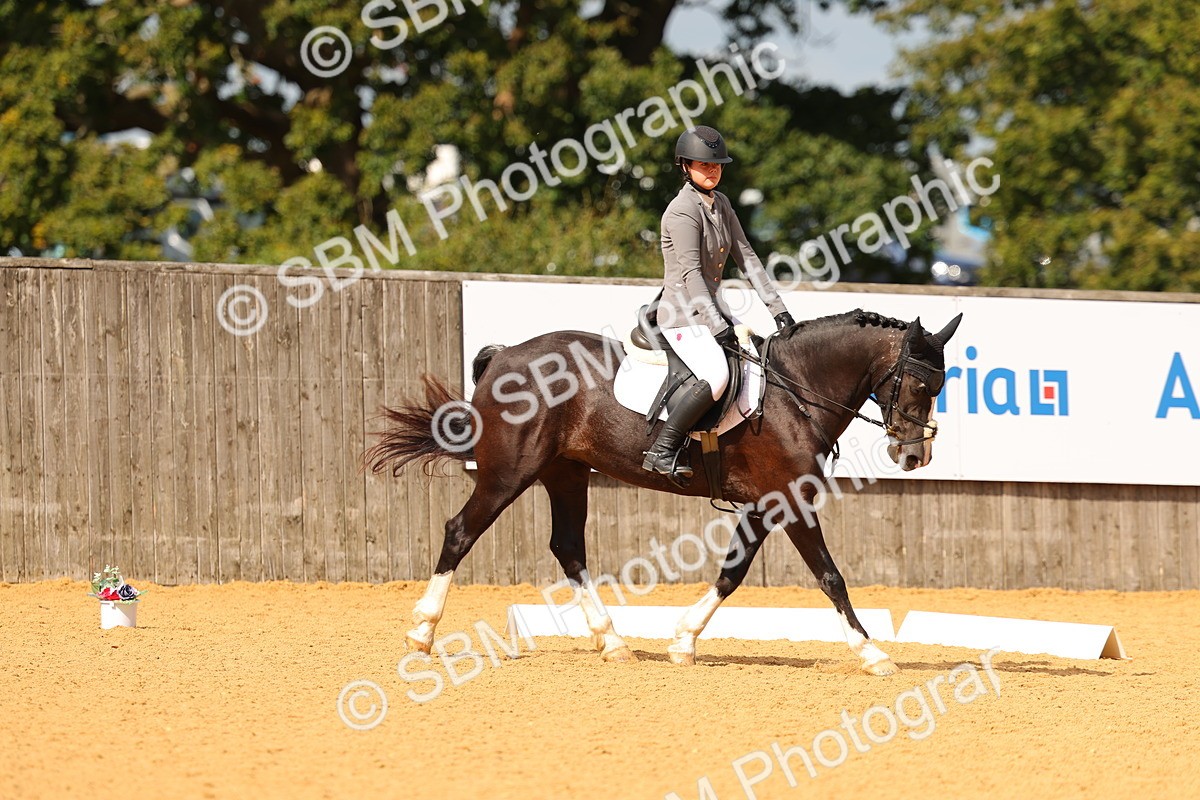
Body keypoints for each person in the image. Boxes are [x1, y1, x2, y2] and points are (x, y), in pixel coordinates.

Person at [641, 125, 795, 484]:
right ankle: (663, 449)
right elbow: (692, 274)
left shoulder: (722, 204)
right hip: (681, 316)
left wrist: (779, 310)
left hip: (711, 313)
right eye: (703, 164)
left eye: (717, 164)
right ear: (684, 166)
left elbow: (748, 258)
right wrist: (717, 326)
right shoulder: (681, 211)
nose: (712, 170)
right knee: (717, 376)